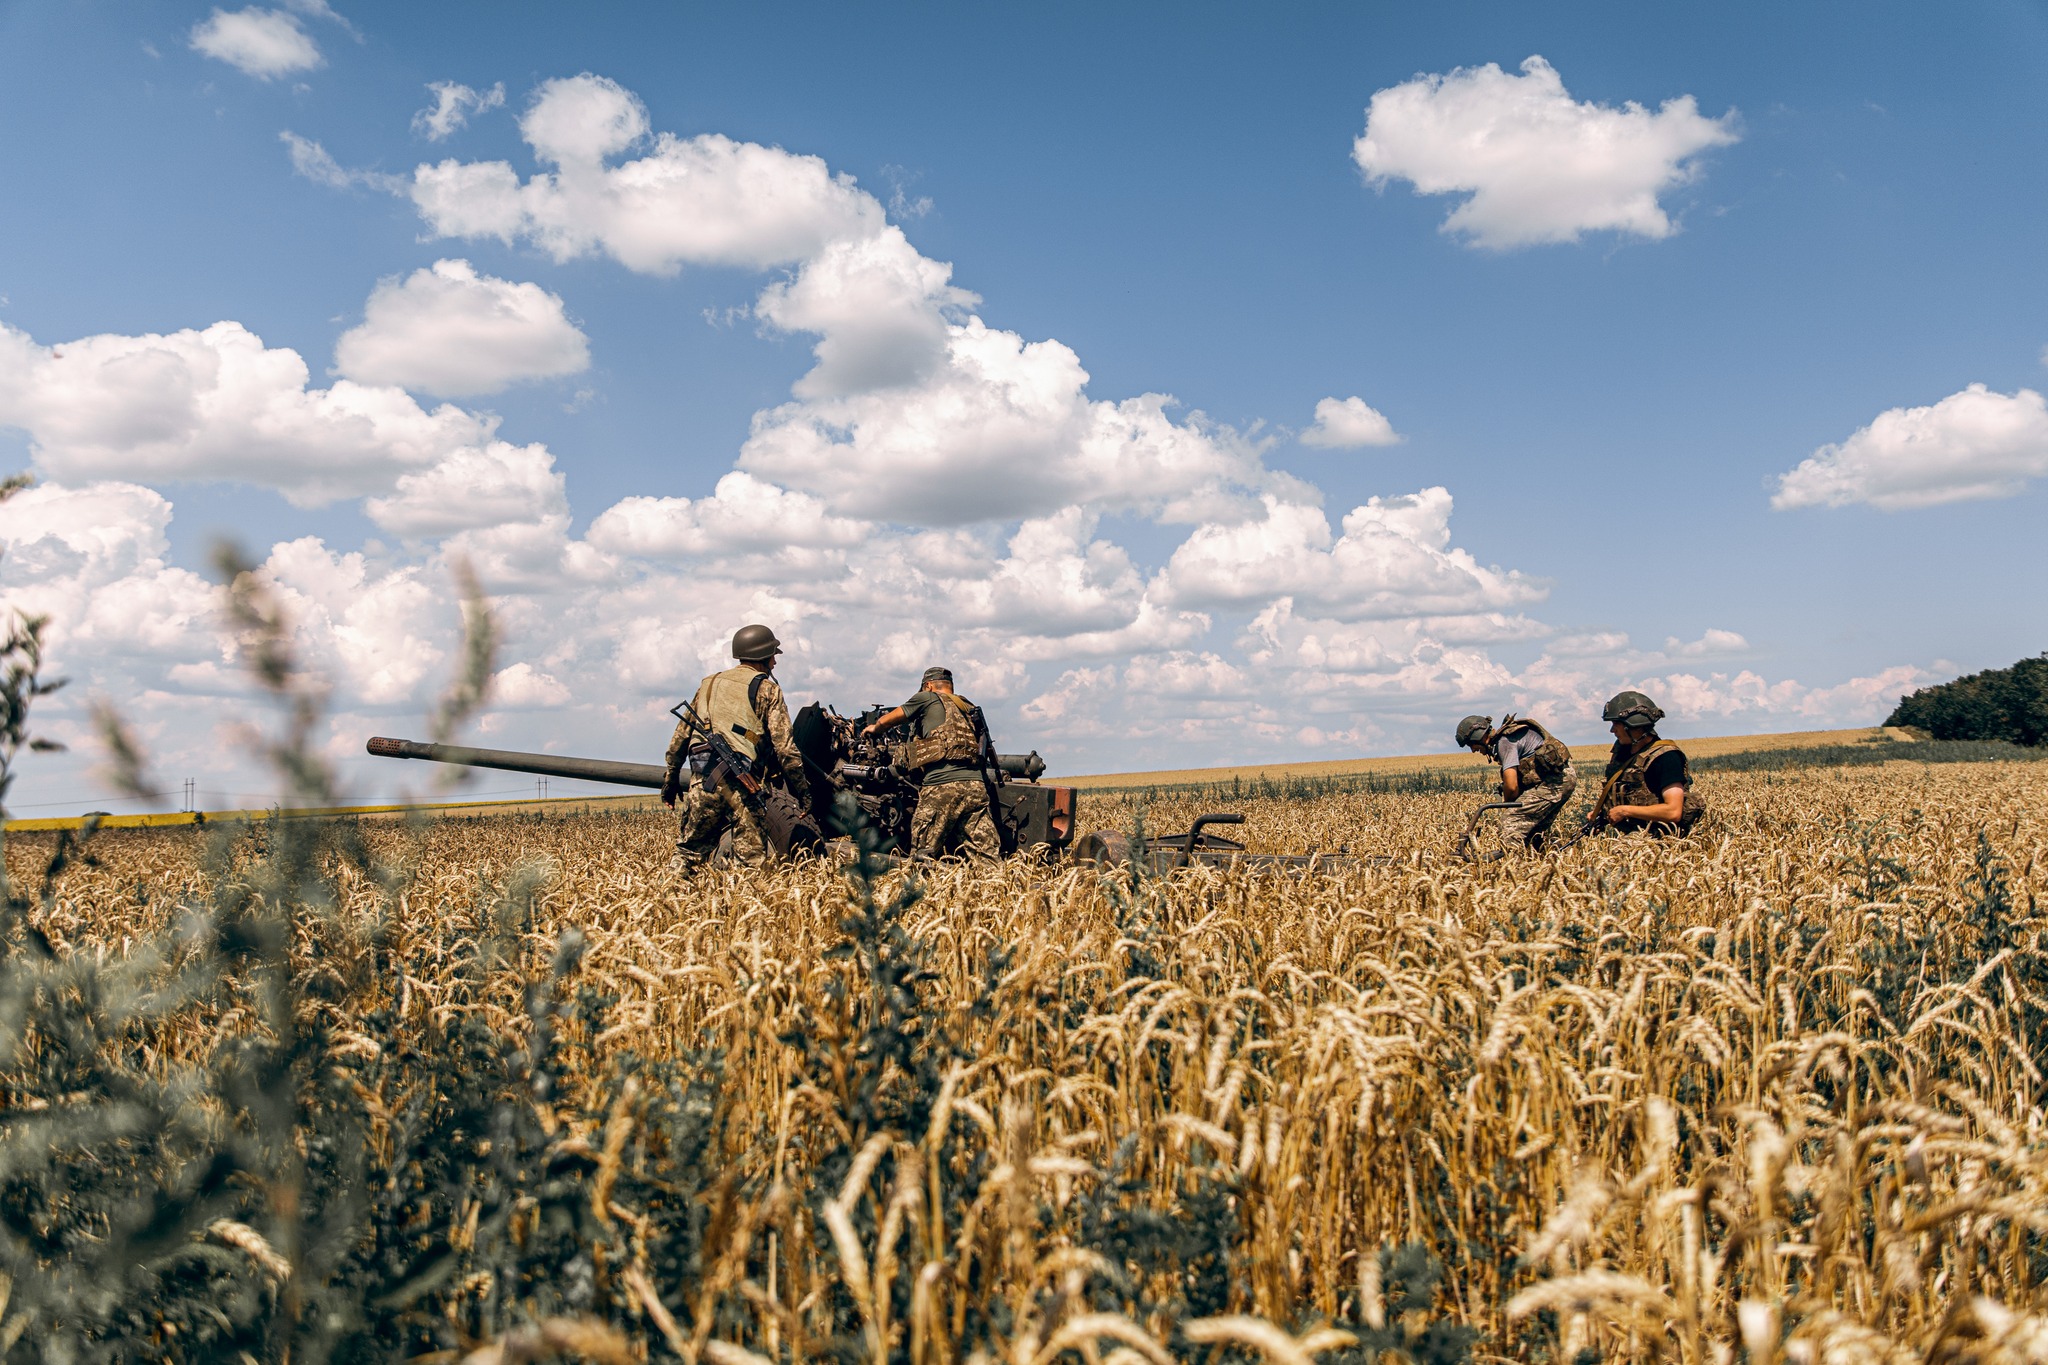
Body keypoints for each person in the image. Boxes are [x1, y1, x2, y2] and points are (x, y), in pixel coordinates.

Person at [661, 623, 811, 868]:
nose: (775, 662)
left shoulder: (708, 685)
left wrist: (670, 781)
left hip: (702, 782)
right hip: (744, 785)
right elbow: (785, 749)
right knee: (750, 864)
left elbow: (679, 739)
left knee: (688, 854)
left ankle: (667, 891)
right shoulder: (768, 690)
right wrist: (803, 792)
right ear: (763, 655)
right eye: (773, 655)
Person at [861, 666, 1001, 860]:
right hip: (975, 788)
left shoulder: (927, 697)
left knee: (922, 856)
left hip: (942, 786)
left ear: (928, 685)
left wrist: (874, 729)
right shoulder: (967, 706)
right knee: (987, 857)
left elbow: (887, 721)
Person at [1455, 712, 1578, 856]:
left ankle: (1516, 863)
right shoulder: (1506, 739)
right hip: (1561, 779)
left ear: (1479, 737)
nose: (1473, 750)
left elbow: (1512, 786)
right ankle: (1544, 858)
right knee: (1534, 830)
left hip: (1554, 783)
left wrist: (1508, 805)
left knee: (1511, 822)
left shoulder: (1504, 743)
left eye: (1471, 744)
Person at [1587, 690, 1706, 835]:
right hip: (1631, 835)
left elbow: (1673, 811)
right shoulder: (1624, 753)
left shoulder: (1666, 758)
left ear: (1633, 725)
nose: (1612, 730)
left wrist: (1624, 811)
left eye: (1616, 723)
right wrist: (1604, 815)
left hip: (1659, 836)